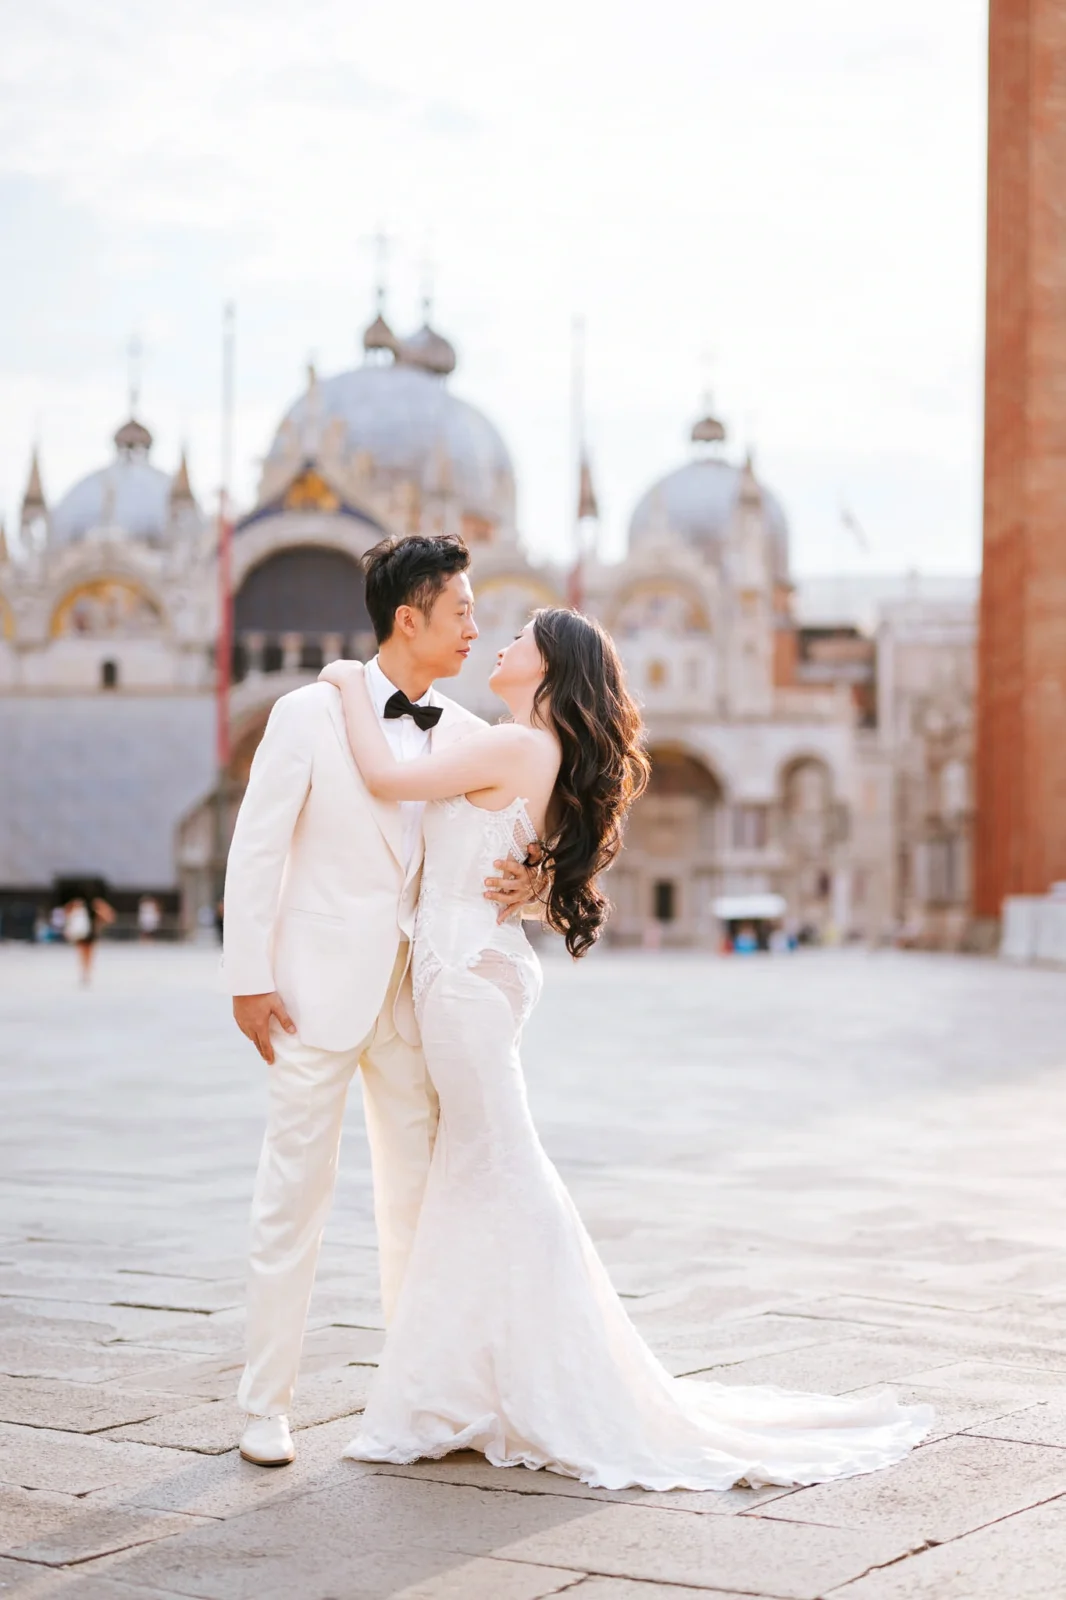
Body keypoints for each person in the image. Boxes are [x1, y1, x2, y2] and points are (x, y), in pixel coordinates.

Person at [320, 608, 933, 1492]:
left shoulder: (516, 746)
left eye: (520, 637)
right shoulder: (526, 750)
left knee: (493, 1174)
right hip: (476, 970)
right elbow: (501, 874)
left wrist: (346, 680)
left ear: (549, 665)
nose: (499, 641)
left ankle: (520, 1382)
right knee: (481, 1173)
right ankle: (478, 1379)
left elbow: (382, 773)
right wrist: (531, 882)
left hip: (462, 982)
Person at [222, 534, 539, 1470]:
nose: (476, 628)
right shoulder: (304, 715)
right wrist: (249, 976)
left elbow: (526, 811)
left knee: (419, 1202)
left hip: (417, 1003)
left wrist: (532, 877)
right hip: (310, 996)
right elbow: (258, 848)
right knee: (293, 1197)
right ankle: (264, 1404)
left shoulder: (471, 730)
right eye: (463, 612)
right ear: (412, 619)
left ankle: (417, 1397)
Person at [63, 893, 115, 986]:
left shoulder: (78, 911)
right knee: (87, 954)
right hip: (89, 933)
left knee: (83, 953)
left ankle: (85, 972)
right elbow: (108, 919)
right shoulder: (91, 911)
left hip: (84, 933)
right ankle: (86, 972)